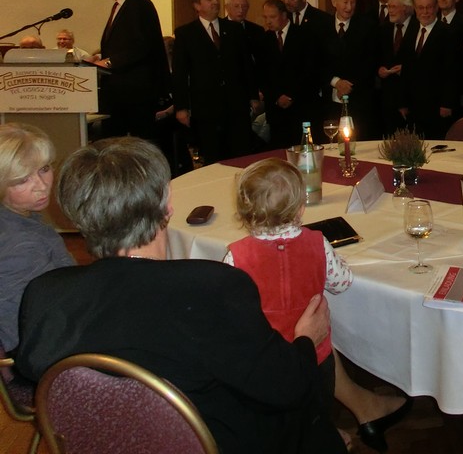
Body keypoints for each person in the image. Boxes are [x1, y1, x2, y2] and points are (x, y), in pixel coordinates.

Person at [17, 138, 346, 454]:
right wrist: (306, 339)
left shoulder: (44, 294)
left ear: (77, 215)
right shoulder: (213, 288)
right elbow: (285, 388)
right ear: (167, 207)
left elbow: (41, 376)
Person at [225, 159, 410, 453]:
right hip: (315, 355)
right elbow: (342, 282)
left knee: (276, 414)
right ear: (300, 209)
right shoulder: (317, 243)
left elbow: (229, 305)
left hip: (266, 359)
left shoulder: (236, 256)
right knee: (316, 407)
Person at [0, 123, 73, 353]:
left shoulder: (21, 217)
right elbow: (30, 336)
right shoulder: (18, 246)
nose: (41, 186)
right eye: (22, 180)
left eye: (44, 169)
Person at [172, 0, 258, 163]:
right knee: (213, 156)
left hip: (236, 104)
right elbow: (180, 73)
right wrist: (181, 107)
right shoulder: (186, 33)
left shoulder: (234, 29)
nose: (215, 2)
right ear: (197, 5)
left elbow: (246, 65)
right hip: (206, 107)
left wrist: (253, 96)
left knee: (241, 154)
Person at [93, 0, 169, 141]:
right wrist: (99, 57)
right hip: (120, 89)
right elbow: (124, 43)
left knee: (139, 139)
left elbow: (143, 46)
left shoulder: (140, 4)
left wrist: (109, 62)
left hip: (136, 89)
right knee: (113, 138)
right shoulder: (121, 5)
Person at [257, 0, 322, 148]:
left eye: (272, 17)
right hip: (277, 110)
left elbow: (310, 70)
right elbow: (262, 74)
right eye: (265, 17)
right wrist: (276, 97)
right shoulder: (264, 39)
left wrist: (291, 96)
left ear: (284, 15)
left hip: (302, 106)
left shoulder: (304, 35)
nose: (268, 21)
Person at [399, 0, 459, 139]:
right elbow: (406, 69)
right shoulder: (411, 31)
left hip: (438, 107)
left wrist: (447, 103)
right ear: (415, 9)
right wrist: (403, 102)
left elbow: (453, 71)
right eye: (421, 8)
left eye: (429, 7)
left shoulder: (448, 33)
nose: (425, 12)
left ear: (436, 7)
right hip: (414, 107)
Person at [326, 0, 379, 139]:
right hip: (329, 100)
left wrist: (348, 85)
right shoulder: (321, 27)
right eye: (345, 2)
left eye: (353, 2)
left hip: (360, 99)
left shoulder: (368, 26)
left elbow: (370, 61)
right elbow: (317, 61)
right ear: (334, 2)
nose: (349, 7)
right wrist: (336, 82)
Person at [377, 0, 417, 135]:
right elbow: (377, 56)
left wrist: (405, 69)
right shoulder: (384, 28)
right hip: (388, 98)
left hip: (411, 97)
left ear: (405, 8)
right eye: (389, 6)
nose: (390, 10)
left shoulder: (418, 27)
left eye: (393, 6)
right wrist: (379, 69)